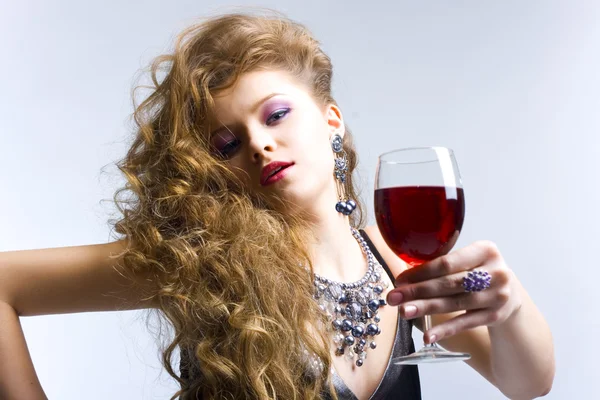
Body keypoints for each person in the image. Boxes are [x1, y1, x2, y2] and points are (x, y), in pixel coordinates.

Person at [0, 10, 555, 400]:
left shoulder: (397, 260)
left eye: (275, 115)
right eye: (227, 143)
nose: (259, 143)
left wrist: (510, 304)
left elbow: (527, 384)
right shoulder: (203, 264)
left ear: (330, 119)